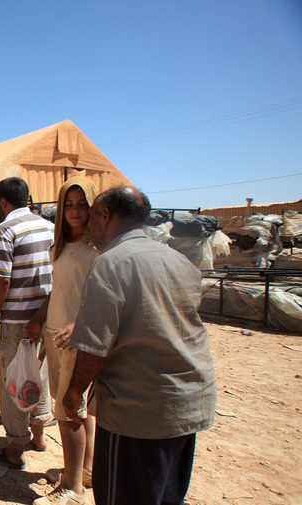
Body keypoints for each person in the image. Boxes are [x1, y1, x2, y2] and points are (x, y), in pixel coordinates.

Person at [63, 186, 216, 505]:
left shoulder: (110, 263)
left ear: (104, 216)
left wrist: (74, 392)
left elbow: (95, 346)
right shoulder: (178, 260)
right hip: (187, 404)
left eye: (92, 215)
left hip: (137, 413)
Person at [22, 177, 100, 505]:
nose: (75, 211)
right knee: (79, 410)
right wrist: (39, 319)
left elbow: (106, 298)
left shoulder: (99, 249)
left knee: (68, 411)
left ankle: (73, 489)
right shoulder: (61, 246)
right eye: (68, 204)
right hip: (56, 336)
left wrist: (78, 325)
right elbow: (58, 291)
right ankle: (84, 471)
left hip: (78, 340)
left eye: (82, 204)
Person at [0, 176, 54, 469]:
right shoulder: (49, 227)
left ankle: (15, 448)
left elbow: (2, 280)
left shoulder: (6, 229)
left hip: (17, 320)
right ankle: (39, 435)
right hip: (46, 317)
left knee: (13, 381)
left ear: (2, 201)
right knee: (40, 374)